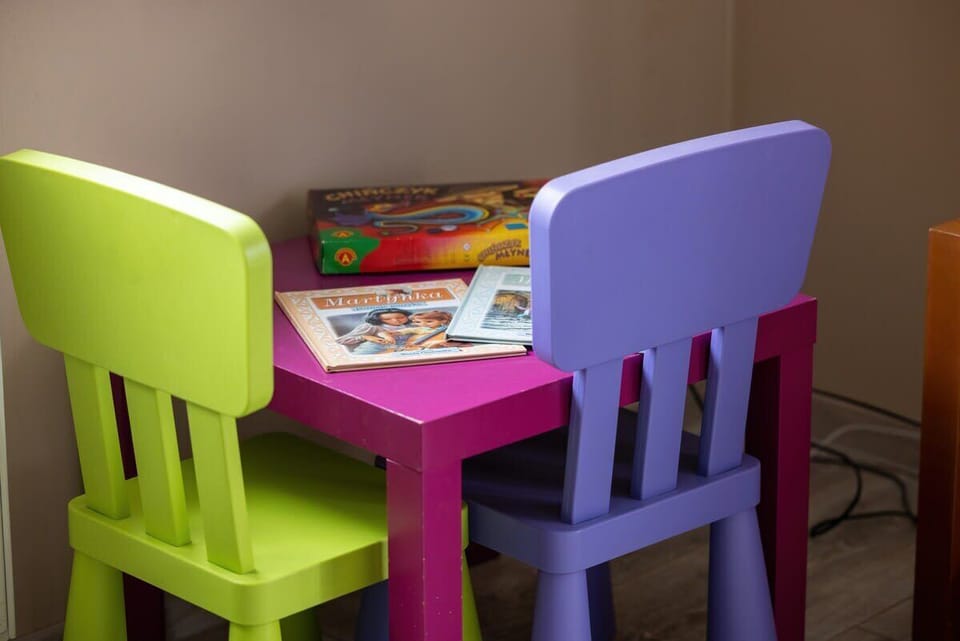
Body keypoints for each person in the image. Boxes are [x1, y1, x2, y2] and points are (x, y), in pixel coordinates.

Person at [336, 307, 414, 355]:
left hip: (403, 351)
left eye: (400, 317)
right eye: (387, 319)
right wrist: (366, 337)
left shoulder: (411, 326)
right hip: (374, 350)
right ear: (378, 319)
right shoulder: (371, 327)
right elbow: (340, 340)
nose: (396, 321)